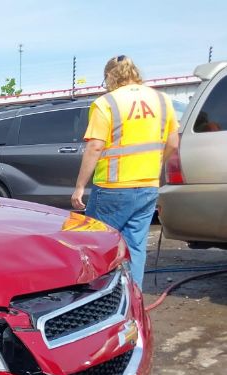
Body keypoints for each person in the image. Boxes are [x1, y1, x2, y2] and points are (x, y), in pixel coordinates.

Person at [71, 55, 180, 287]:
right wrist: (154, 167)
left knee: (97, 245)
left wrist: (80, 186)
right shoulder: (162, 100)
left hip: (113, 188)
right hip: (148, 186)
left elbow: (95, 146)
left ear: (110, 76)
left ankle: (98, 301)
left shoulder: (106, 103)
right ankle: (133, 298)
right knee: (136, 246)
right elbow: (173, 144)